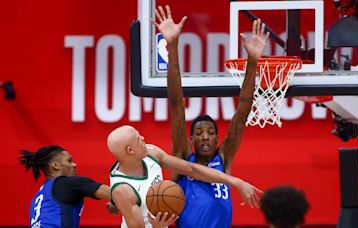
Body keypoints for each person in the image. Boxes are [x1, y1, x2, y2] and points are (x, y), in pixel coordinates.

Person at [151, 5, 269, 228]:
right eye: (199, 133)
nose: (205, 137)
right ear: (191, 140)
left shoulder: (224, 159)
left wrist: (253, 61)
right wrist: (172, 45)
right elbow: (177, 104)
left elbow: (243, 110)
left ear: (217, 139)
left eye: (210, 133)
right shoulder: (183, 158)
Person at [107, 125, 262, 228]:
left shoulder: (151, 153)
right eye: (138, 138)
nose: (143, 138)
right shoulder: (123, 190)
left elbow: (191, 169)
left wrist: (236, 181)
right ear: (130, 150)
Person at [18, 145, 116, 228]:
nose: (74, 165)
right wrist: (116, 203)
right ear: (55, 165)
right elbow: (118, 194)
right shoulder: (67, 183)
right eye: (69, 161)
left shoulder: (38, 197)